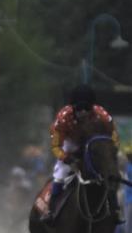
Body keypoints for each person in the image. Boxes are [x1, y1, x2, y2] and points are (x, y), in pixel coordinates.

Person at [41, 84, 121, 225]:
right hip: (70, 144)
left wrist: (111, 151)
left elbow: (114, 136)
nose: (83, 112)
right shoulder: (63, 118)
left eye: (87, 108)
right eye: (79, 108)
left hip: (94, 143)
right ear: (72, 107)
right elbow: (55, 145)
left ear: (93, 107)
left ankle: (114, 209)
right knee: (60, 174)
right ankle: (51, 211)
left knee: (108, 172)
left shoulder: (102, 116)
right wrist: (66, 157)